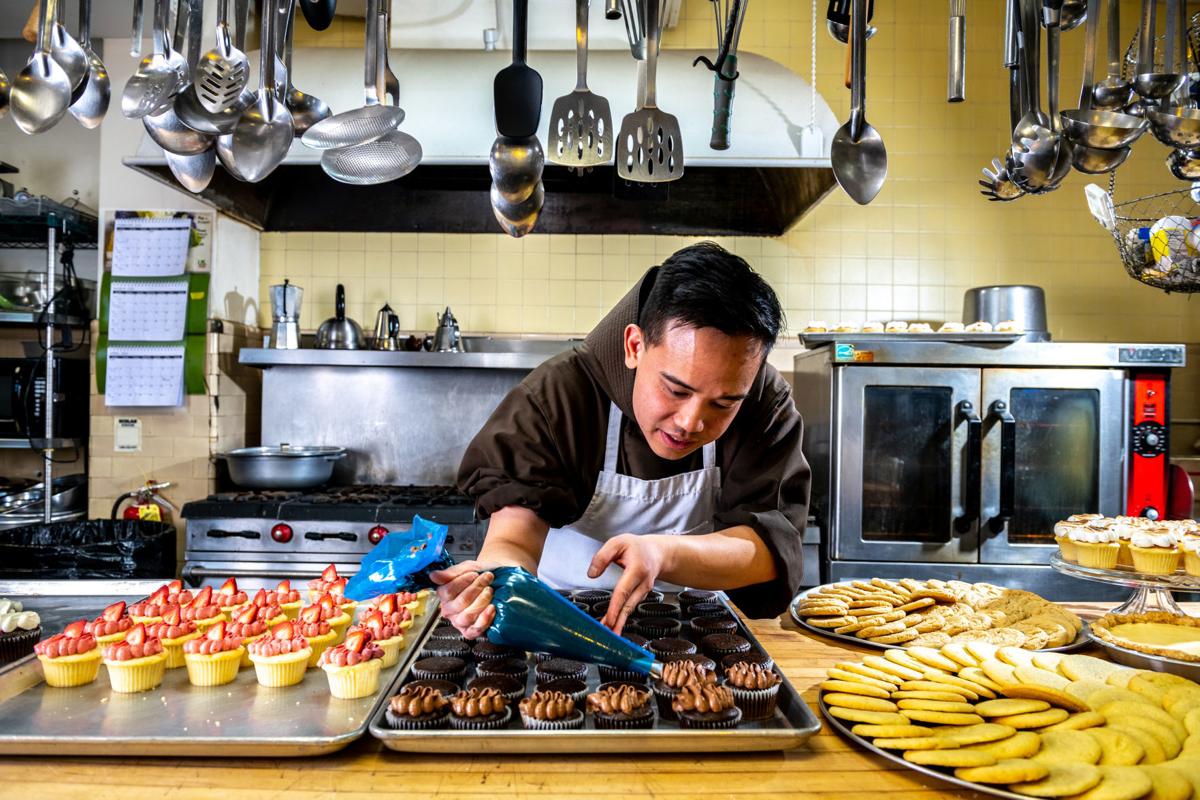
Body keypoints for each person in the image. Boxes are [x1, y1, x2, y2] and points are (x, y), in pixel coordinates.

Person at [432, 242, 810, 638]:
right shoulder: (557, 396)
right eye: (676, 390)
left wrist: (663, 553)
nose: (691, 422)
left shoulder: (763, 400)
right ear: (634, 346)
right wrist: (491, 581)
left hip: (698, 633)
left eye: (724, 403)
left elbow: (769, 548)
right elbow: (513, 539)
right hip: (559, 623)